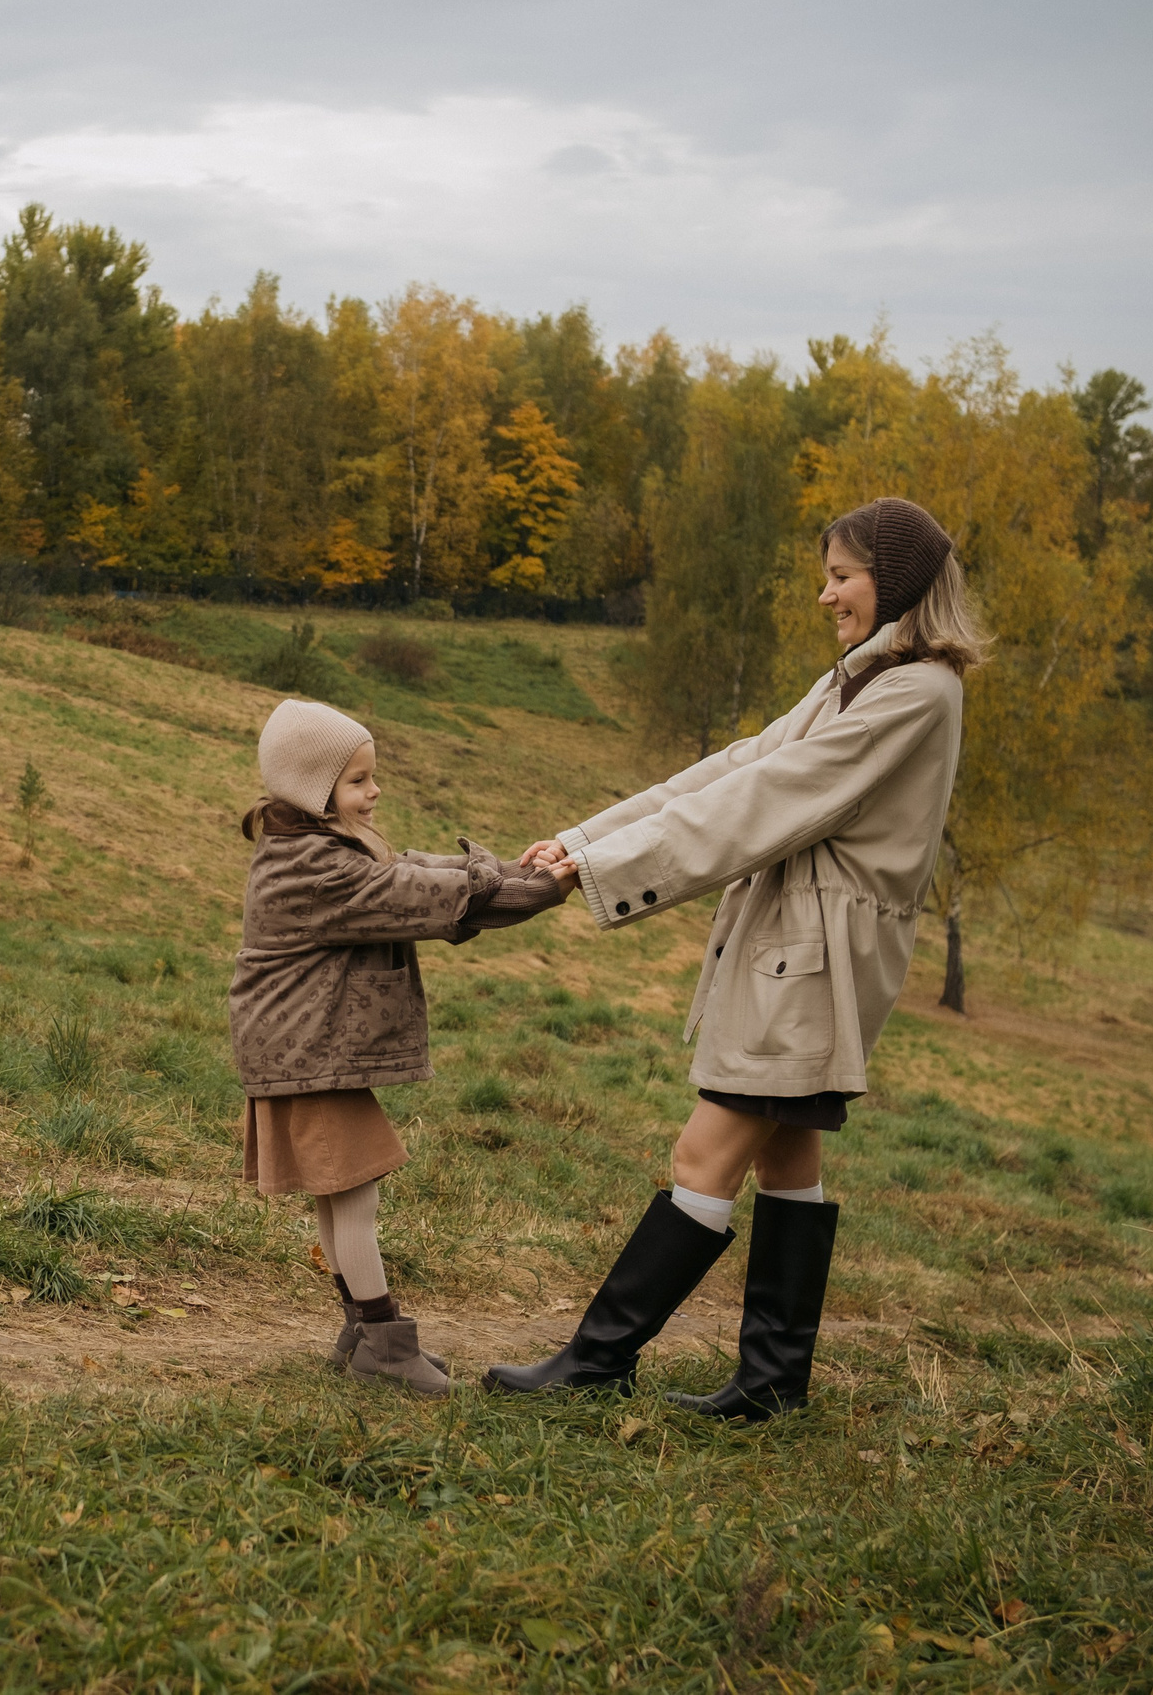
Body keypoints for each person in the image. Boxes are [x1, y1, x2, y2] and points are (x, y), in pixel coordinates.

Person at [485, 497, 991, 1420]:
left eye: (842, 576)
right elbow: (737, 765)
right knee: (785, 1156)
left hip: (815, 958)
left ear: (896, 584)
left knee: (703, 1151)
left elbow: (767, 798)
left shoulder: (915, 692)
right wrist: (583, 840)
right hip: (806, 949)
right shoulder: (863, 679)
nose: (826, 594)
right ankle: (770, 1386)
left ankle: (598, 1361)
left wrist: (601, 869)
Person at [231, 698, 572, 1397]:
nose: (375, 791)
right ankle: (384, 1345)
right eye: (357, 781)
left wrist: (517, 870)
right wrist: (540, 891)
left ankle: (361, 1336)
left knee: (340, 1197)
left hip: (300, 1051)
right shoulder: (320, 870)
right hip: (306, 1056)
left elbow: (418, 867)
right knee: (355, 1199)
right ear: (312, 790)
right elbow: (415, 892)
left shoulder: (320, 846)